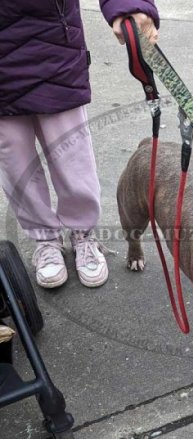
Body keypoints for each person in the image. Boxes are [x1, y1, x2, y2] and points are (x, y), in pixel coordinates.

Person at [0, 1, 159, 288]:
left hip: (53, 43)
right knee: (14, 161)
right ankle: (45, 240)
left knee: (72, 157)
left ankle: (83, 233)